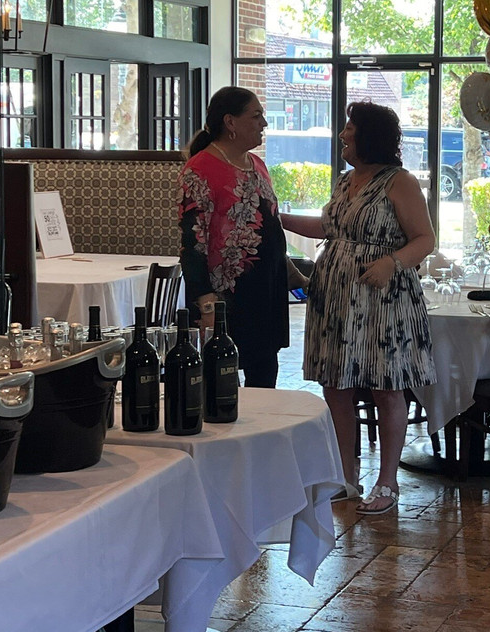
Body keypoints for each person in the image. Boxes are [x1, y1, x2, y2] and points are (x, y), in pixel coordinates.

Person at [283, 102, 435, 515]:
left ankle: (387, 482)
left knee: (386, 386)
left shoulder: (399, 181)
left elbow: (425, 238)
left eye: (349, 128)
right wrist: (278, 217)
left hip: (383, 297)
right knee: (336, 385)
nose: (342, 135)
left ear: (369, 135)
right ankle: (345, 477)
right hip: (335, 296)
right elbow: (328, 227)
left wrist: (392, 263)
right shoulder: (345, 180)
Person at [178, 86, 288, 388]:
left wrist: (295, 277)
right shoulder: (199, 169)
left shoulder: (257, 165)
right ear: (230, 122)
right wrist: (207, 304)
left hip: (265, 294)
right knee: (221, 384)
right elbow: (193, 242)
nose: (264, 123)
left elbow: (270, 228)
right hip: (225, 299)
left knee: (265, 382)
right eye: (256, 116)